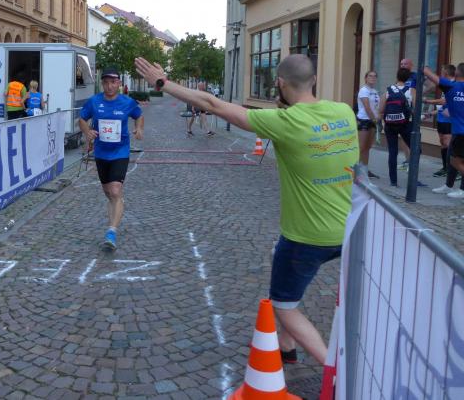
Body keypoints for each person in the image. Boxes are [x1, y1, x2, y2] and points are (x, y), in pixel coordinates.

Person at [135, 54, 357, 365]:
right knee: (278, 257)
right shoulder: (344, 112)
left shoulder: (284, 122)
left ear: (279, 83)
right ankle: (286, 344)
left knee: (283, 305)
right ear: (315, 80)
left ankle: (334, 371)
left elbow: (212, 104)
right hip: (349, 229)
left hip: (307, 237)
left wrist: (163, 83)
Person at [78, 67, 144, 252]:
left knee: (114, 190)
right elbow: (82, 119)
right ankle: (118, 205)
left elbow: (139, 116)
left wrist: (139, 128)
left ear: (119, 83)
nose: (109, 86)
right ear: (102, 84)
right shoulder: (94, 101)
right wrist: (87, 131)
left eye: (113, 82)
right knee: (109, 193)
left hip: (120, 152)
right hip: (101, 153)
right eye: (106, 82)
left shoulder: (127, 102)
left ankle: (111, 232)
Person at [425, 63, 464, 199]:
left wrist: (424, 69)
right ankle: (449, 185)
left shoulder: (452, 86)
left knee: (454, 160)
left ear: (457, 72)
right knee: (451, 157)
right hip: (457, 130)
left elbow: (434, 78)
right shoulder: (452, 86)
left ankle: (462, 190)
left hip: (460, 131)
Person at [378, 67, 413, 187]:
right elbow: (415, 109)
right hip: (405, 124)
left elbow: (381, 110)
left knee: (393, 152)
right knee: (416, 150)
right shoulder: (411, 91)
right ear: (408, 79)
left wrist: (382, 122)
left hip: (390, 125)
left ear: (397, 77)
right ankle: (412, 177)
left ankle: (393, 181)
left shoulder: (388, 90)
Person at [425, 64, 456, 178]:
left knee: (448, 143)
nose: (441, 73)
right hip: (441, 118)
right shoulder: (445, 86)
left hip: (449, 120)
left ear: (446, 72)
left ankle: (453, 170)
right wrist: (431, 113)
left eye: (442, 71)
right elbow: (443, 106)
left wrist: (428, 101)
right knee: (443, 143)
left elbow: (444, 101)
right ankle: (445, 168)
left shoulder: (453, 84)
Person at [356, 70, 380, 178]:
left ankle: (364, 170)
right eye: (370, 76)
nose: (372, 78)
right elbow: (367, 107)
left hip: (373, 121)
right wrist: (374, 119)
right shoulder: (364, 90)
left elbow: (376, 107)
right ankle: (355, 170)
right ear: (366, 78)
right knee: (361, 147)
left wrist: (378, 117)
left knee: (368, 147)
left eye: (374, 76)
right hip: (364, 120)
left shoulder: (374, 91)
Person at [397, 58, 416, 169]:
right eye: (401, 64)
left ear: (411, 65)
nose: (403, 65)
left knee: (410, 137)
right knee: (403, 137)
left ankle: (412, 162)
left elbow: (430, 85)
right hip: (401, 110)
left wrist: (419, 96)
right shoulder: (401, 76)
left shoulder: (415, 76)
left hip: (411, 111)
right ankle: (407, 160)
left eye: (405, 64)